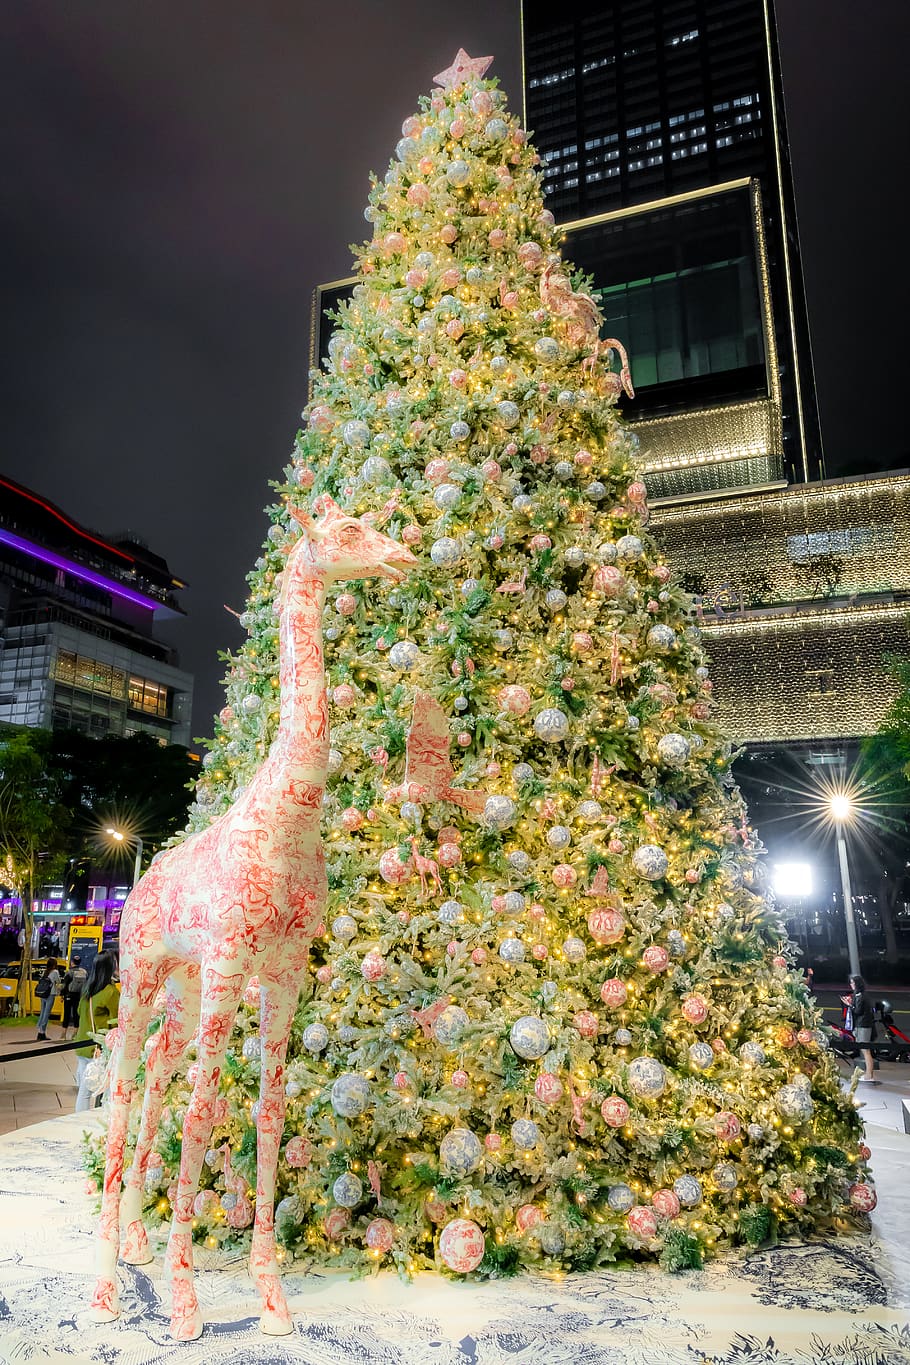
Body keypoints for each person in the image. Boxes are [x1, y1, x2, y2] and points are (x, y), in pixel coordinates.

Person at [74, 951, 120, 1111]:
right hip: (100, 1048)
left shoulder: (88, 990)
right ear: (111, 967)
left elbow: (80, 1012)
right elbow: (117, 1021)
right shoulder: (111, 992)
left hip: (82, 1046)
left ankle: (79, 1122)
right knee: (106, 1089)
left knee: (85, 1091)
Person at [841, 973, 879, 1084]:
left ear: (857, 984)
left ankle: (869, 1074)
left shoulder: (861, 996)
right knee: (865, 1050)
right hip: (862, 1025)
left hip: (864, 1025)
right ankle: (868, 1074)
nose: (851, 984)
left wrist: (849, 1005)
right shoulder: (860, 995)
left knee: (866, 1051)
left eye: (853, 983)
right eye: (851, 982)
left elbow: (858, 1011)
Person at [60, 955, 86, 1041]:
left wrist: (61, 995)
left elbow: (64, 985)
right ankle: (75, 1034)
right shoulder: (84, 972)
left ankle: (63, 1034)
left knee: (67, 1014)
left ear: (72, 962)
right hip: (79, 996)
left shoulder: (69, 972)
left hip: (69, 995)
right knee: (76, 1014)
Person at [35, 958, 61, 1040]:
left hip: (43, 994)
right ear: (54, 965)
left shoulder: (45, 972)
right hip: (50, 994)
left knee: (42, 1011)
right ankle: (42, 1032)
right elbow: (58, 981)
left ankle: (39, 1030)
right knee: (47, 1013)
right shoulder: (55, 972)